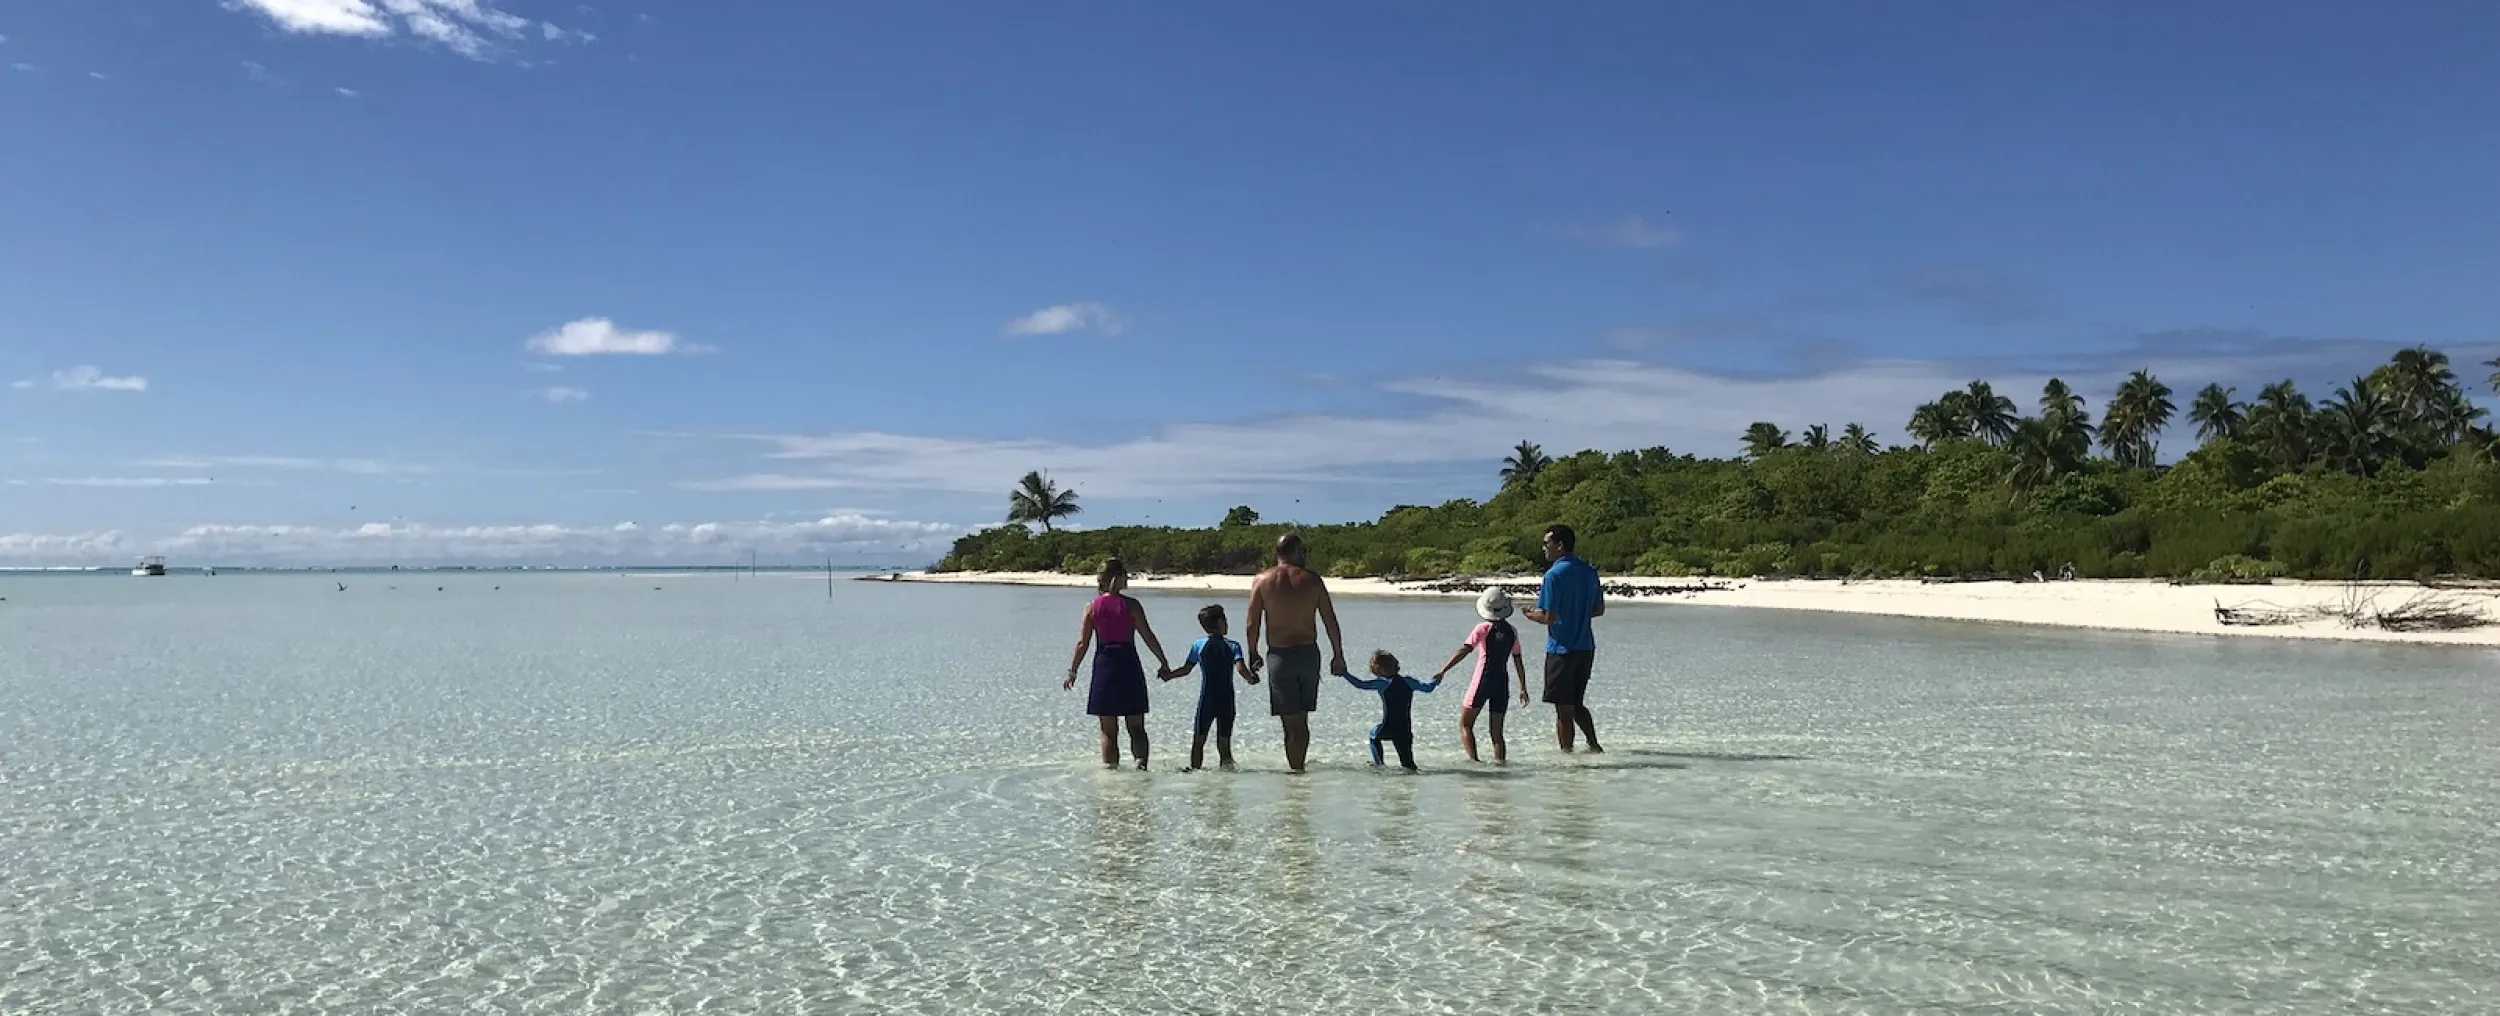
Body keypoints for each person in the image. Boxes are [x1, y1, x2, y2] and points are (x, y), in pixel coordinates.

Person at [1244, 532, 1346, 773]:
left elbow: (1252, 623)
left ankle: (1295, 773)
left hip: (1280, 656)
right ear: (1294, 552)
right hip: (1309, 654)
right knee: (1302, 720)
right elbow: (1330, 620)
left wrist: (1252, 652)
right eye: (1302, 552)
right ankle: (1298, 772)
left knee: (1289, 722)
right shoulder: (1312, 580)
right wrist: (1338, 653)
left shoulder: (1262, 581)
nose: (1305, 556)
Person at [1064, 557, 1173, 769]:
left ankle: (1111, 778)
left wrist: (1072, 672)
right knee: (1136, 727)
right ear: (1118, 578)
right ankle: (1141, 768)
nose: (1128, 579)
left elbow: (1082, 644)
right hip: (1128, 664)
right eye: (1126, 575)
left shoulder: (1092, 607)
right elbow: (1148, 636)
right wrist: (1163, 661)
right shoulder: (1132, 605)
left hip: (1105, 665)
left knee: (1108, 730)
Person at [1521, 524, 1605, 753]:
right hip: (1586, 647)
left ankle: (1566, 756)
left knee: (1563, 709)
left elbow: (1548, 617)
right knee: (1576, 703)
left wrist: (1528, 614)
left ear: (1559, 545)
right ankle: (1594, 745)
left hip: (1561, 649)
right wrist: (1576, 611)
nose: (1543, 548)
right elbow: (1598, 610)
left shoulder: (1553, 575)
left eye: (1546, 544)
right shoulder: (1589, 571)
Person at [1433, 587, 1529, 764]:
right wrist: (1523, 688)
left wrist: (1443, 670)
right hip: (1502, 682)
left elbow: (1465, 650)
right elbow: (1517, 660)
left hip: (1482, 681)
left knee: (1465, 724)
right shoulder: (1512, 631)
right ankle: (1500, 767)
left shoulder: (1483, 628)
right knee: (1497, 733)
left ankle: (1474, 763)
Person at [1160, 603, 1257, 772]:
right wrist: (1252, 679)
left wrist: (1169, 676)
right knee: (1224, 743)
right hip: (1226, 699)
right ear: (1220, 622)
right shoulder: (1233, 646)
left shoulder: (1199, 645)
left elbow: (1186, 669)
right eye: (1225, 620)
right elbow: (1241, 669)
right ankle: (1226, 780)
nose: (1227, 624)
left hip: (1207, 699)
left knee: (1198, 741)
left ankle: (1195, 772)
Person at [1338, 650, 1440, 770]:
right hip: (1405, 729)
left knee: (1373, 735)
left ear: (1377, 670)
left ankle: (1379, 765)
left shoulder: (1382, 683)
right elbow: (1428, 688)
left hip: (1388, 727)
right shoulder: (1409, 681)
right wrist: (1436, 680)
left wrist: (1344, 673)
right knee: (1409, 765)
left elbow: (1360, 684)